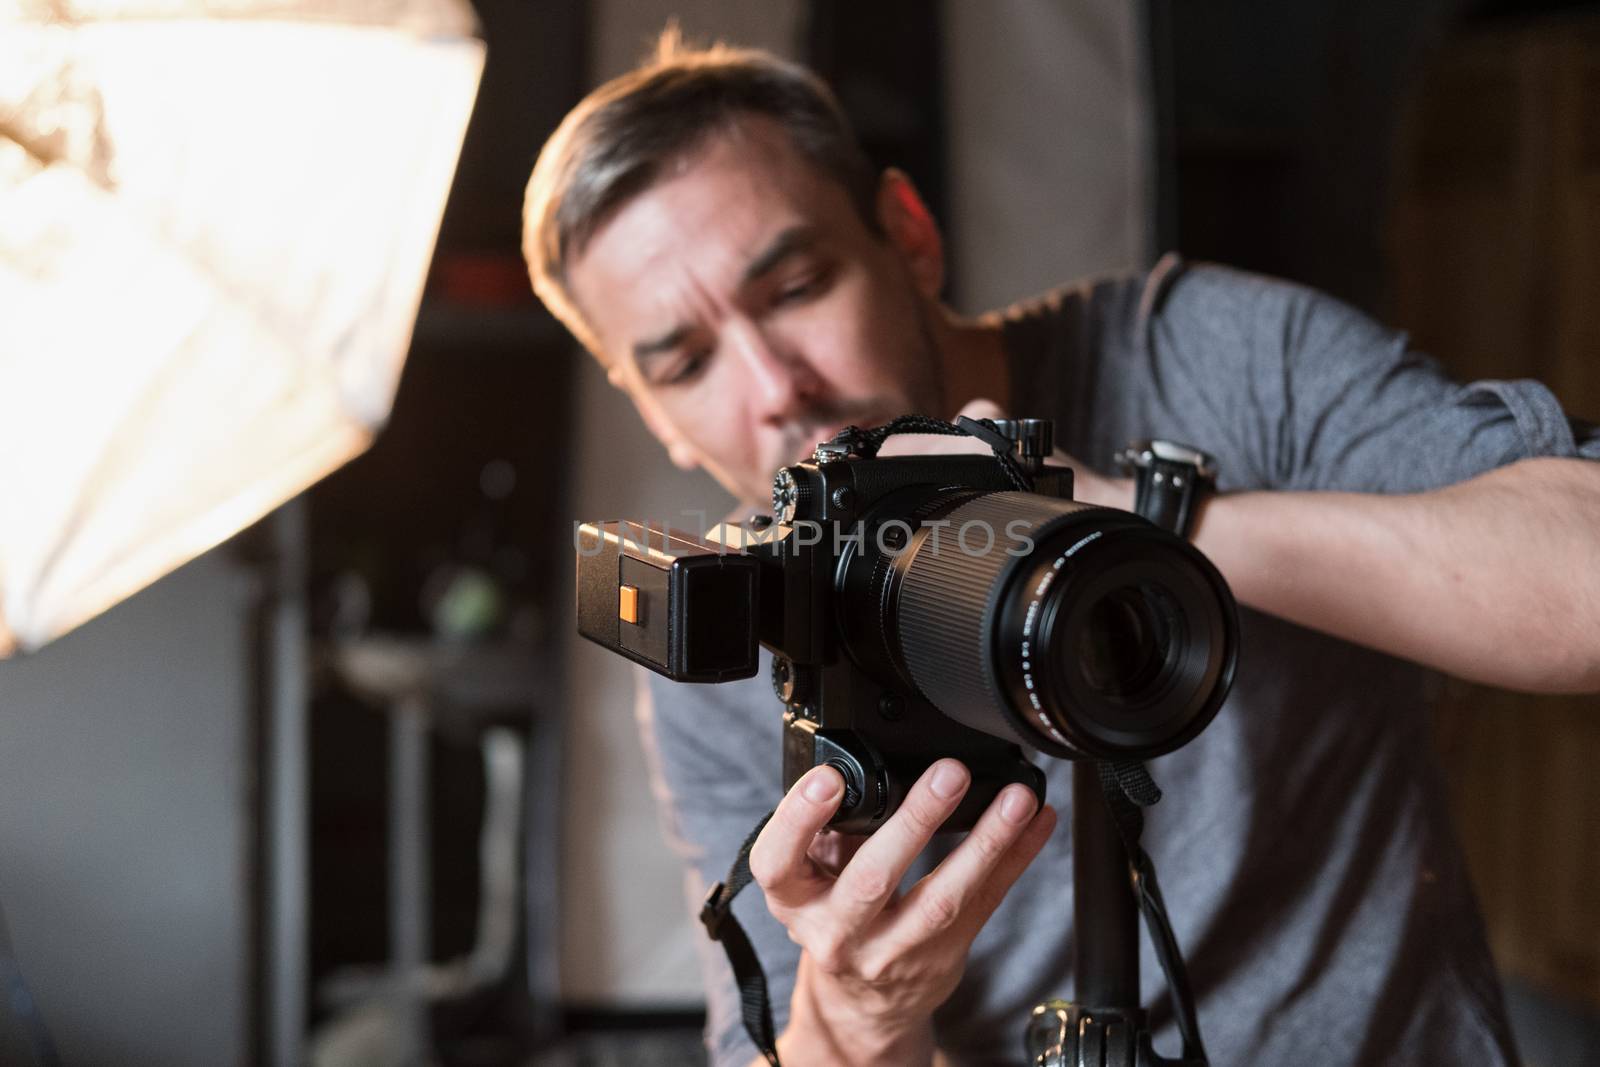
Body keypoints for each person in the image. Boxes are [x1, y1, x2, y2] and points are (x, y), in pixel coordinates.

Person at [522, 38, 1600, 1067]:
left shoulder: (1208, 362)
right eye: (687, 363)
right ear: (648, 413)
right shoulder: (728, 634)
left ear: (908, 233)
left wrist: (1134, 526)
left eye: (798, 288)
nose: (773, 390)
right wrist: (855, 1009)